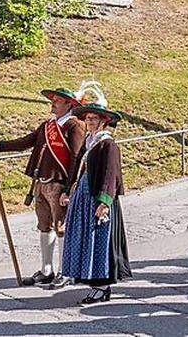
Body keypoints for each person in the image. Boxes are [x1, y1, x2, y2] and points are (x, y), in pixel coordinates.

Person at [0, 88, 86, 286]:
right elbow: (26, 141)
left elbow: (77, 158)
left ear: (70, 104)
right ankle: (46, 269)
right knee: (44, 226)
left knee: (61, 228)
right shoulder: (47, 125)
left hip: (60, 184)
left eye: (58, 100)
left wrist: (69, 188)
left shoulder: (74, 126)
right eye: (54, 99)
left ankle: (64, 271)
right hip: (41, 182)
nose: (54, 102)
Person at [59, 97, 132, 304]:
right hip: (83, 197)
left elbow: (111, 174)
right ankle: (95, 285)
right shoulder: (89, 142)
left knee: (98, 241)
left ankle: (101, 287)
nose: (90, 122)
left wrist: (104, 202)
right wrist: (68, 191)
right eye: (88, 118)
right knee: (85, 239)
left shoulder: (107, 144)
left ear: (103, 121)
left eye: (94, 118)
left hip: (98, 199)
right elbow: (77, 168)